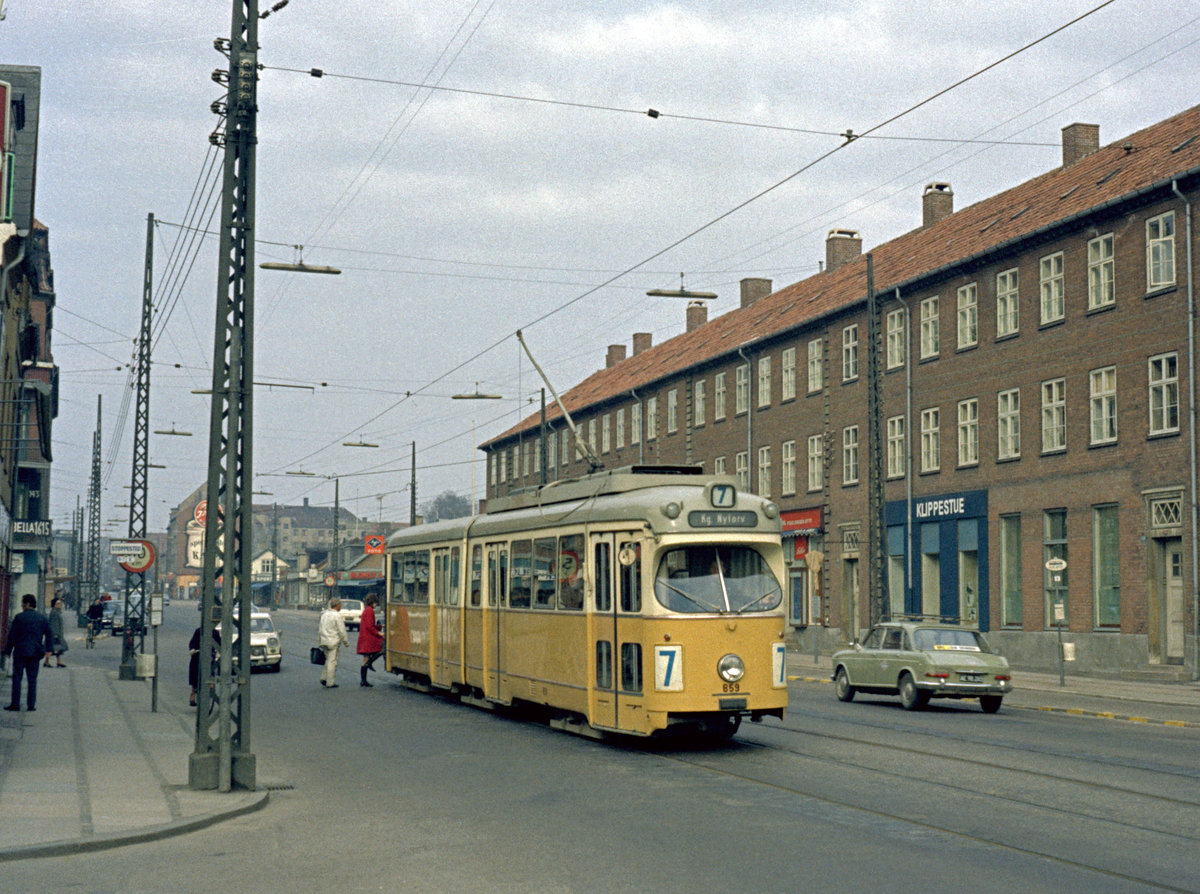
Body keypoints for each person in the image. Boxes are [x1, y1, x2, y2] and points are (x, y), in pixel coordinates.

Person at [3, 594, 54, 712]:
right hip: (35, 652)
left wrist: (8, 650)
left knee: (17, 678)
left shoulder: (19, 617)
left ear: (27, 604)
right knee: (32, 679)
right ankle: (31, 705)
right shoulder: (42, 618)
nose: (21, 606)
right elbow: (49, 634)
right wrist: (48, 650)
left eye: (22, 603)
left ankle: (15, 704)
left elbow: (12, 635)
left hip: (20, 652)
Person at [317, 597, 350, 688]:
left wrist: (320, 641)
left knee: (328, 660)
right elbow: (341, 630)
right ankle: (330, 682)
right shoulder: (337, 616)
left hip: (324, 640)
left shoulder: (324, 615)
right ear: (337, 605)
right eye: (340, 605)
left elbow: (320, 629)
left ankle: (324, 677)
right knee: (332, 662)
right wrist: (346, 642)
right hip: (333, 641)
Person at [188, 625, 221, 707]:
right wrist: (192, 649)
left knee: (211, 670)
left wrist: (219, 652)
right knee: (194, 670)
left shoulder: (215, 632)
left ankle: (211, 687)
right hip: (198, 654)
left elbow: (220, 643)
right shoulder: (198, 631)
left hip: (210, 655)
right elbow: (192, 642)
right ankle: (193, 692)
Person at [356, 594, 384, 687]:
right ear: (373, 602)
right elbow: (370, 626)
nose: (376, 604)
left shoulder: (366, 610)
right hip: (369, 637)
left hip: (364, 636)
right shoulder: (369, 611)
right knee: (382, 647)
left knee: (365, 658)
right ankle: (370, 663)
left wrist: (379, 627)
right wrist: (378, 633)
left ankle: (363, 680)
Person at [46, 598, 68, 667]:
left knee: (57, 648)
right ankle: (47, 661)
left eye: (60, 603)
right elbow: (53, 624)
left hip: (58, 633)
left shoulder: (57, 612)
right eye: (58, 604)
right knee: (53, 647)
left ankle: (57, 661)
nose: (60, 605)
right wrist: (55, 634)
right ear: (54, 605)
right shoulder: (54, 613)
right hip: (55, 633)